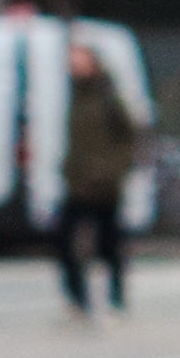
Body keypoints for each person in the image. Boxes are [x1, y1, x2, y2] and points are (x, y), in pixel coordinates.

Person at [53, 29, 145, 310]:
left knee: (110, 244)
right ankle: (77, 298)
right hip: (77, 183)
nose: (74, 64)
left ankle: (116, 298)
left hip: (105, 185)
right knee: (64, 242)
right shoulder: (72, 96)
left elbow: (130, 137)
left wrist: (114, 169)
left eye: (79, 59)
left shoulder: (107, 96)